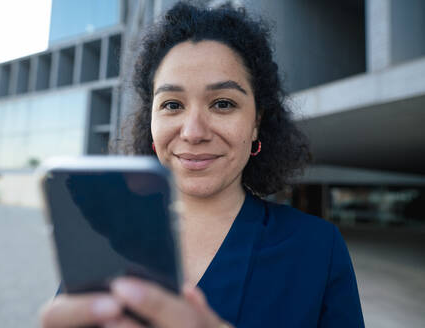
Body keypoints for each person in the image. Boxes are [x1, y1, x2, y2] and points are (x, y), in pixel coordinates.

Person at [40, 2, 365, 327]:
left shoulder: (319, 250)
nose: (193, 132)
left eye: (222, 103)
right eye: (172, 104)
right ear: (150, 123)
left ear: (256, 123)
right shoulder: (107, 239)